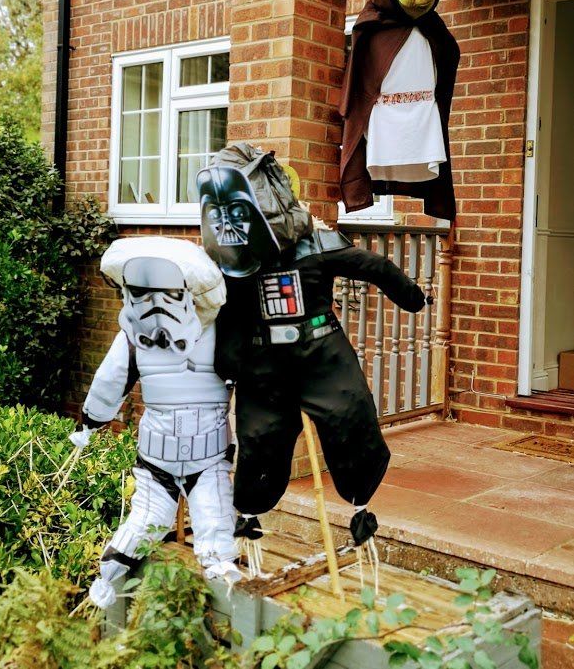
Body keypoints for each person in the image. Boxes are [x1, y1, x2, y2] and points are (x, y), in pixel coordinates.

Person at [197, 149, 426, 559]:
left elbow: (371, 266)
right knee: (263, 440)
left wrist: (412, 296)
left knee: (346, 421)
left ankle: (356, 503)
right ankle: (251, 509)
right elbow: (231, 314)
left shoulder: (310, 244)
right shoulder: (238, 259)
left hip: (313, 356)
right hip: (275, 363)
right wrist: (227, 364)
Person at [69, 236, 241, 608]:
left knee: (214, 527)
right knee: (148, 522)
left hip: (208, 457)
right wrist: (91, 422)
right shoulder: (134, 339)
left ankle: (225, 600)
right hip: (158, 458)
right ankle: (107, 583)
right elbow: (110, 380)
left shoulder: (225, 332)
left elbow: (257, 381)